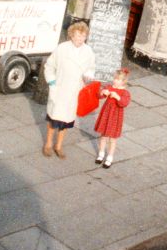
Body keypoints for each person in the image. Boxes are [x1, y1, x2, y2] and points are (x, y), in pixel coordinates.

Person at [42, 21, 95, 159]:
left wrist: (89, 77)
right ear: (71, 35)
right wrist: (52, 82)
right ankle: (48, 144)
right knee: (54, 119)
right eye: (77, 35)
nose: (80, 38)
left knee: (66, 122)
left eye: (83, 36)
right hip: (60, 88)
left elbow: (91, 68)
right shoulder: (62, 48)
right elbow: (49, 65)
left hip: (75, 90)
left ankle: (58, 146)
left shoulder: (88, 51)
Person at [94, 68, 131, 169]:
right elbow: (98, 95)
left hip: (116, 116)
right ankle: (101, 154)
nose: (115, 81)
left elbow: (124, 103)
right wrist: (103, 92)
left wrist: (117, 97)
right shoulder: (109, 87)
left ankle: (110, 157)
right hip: (106, 114)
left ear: (123, 81)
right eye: (115, 78)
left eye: (118, 79)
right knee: (103, 136)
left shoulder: (124, 92)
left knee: (113, 138)